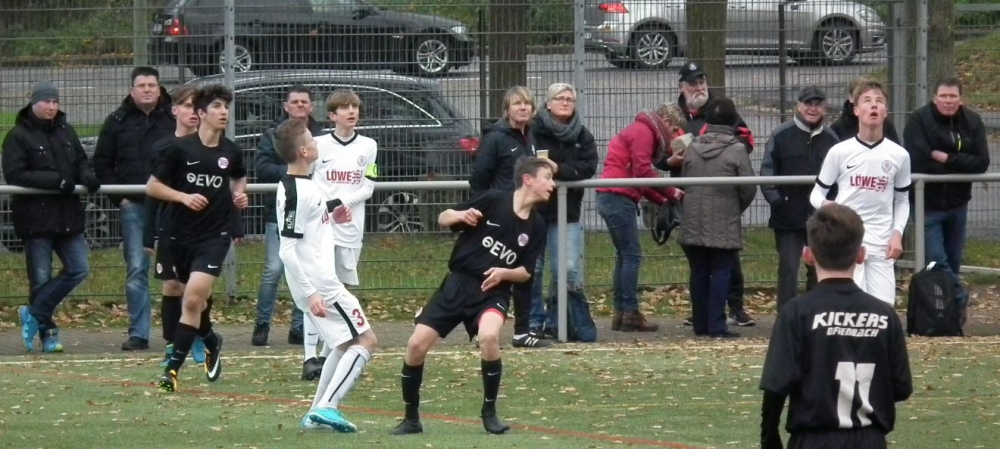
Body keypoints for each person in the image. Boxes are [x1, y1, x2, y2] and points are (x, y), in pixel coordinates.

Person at [392, 157, 553, 436]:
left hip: (492, 291)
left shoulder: (537, 226)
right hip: (457, 284)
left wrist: (504, 272)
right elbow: (443, 217)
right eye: (547, 178)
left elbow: (526, 272)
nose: (552, 184)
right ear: (528, 179)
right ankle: (411, 419)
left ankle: (489, 413)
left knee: (489, 336)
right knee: (416, 345)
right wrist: (459, 215)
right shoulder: (493, 200)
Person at [759, 204, 913, 449]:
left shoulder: (797, 313)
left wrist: (769, 438)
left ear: (808, 256)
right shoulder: (885, 315)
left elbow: (776, 385)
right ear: (861, 255)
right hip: (870, 439)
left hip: (812, 439)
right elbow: (902, 387)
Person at [273, 118, 378, 433]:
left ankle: (314, 414)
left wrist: (331, 216)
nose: (316, 141)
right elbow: (287, 250)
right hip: (321, 283)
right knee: (366, 340)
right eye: (311, 139)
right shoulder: (296, 191)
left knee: (342, 343)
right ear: (304, 152)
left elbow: (309, 228)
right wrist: (311, 292)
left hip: (319, 280)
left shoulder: (304, 186)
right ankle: (328, 407)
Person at [149, 85, 248, 392]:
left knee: (193, 299)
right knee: (183, 295)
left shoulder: (231, 151)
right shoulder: (179, 149)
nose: (223, 112)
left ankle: (171, 371)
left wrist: (239, 194)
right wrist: (183, 196)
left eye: (226, 107)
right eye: (216, 106)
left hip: (214, 237)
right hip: (178, 235)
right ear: (201, 113)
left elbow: (239, 176)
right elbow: (153, 186)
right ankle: (210, 340)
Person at [3, 81, 101, 353]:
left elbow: (80, 161)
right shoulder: (18, 136)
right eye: (46, 101)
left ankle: (34, 312)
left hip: (68, 216)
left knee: (79, 268)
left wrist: (87, 176)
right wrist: (55, 181)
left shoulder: (67, 131)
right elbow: (15, 174)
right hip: (36, 219)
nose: (51, 106)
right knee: (41, 277)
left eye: (55, 102)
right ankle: (47, 333)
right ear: (33, 103)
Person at [92, 66, 175, 351]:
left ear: (159, 88)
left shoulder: (174, 118)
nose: (147, 90)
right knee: (137, 268)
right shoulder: (116, 121)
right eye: (142, 85)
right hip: (135, 206)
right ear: (132, 90)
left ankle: (177, 331)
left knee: (176, 269)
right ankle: (139, 333)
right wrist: (121, 198)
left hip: (171, 205)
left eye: (152, 85)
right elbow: (102, 163)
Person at [810, 80, 911, 305]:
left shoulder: (899, 155)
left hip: (882, 243)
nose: (873, 105)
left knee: (884, 308)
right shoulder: (839, 152)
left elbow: (902, 199)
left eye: (879, 101)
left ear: (886, 111)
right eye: (867, 101)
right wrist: (829, 206)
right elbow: (816, 194)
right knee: (849, 308)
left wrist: (897, 234)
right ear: (856, 110)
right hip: (848, 241)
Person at [673, 62, 756, 327]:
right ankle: (706, 315)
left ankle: (734, 307)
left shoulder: (722, 110)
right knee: (702, 264)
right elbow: (661, 155)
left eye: (702, 82)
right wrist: (670, 160)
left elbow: (747, 140)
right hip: (690, 197)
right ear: (682, 87)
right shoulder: (675, 116)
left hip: (721, 197)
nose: (699, 87)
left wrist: (725, 150)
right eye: (693, 84)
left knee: (726, 261)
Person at [468, 86, 552, 348]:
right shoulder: (495, 138)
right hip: (500, 219)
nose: (523, 108)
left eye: (527, 103)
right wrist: (489, 209)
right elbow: (478, 178)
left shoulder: (533, 137)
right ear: (507, 109)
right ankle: (478, 327)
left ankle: (524, 331)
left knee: (526, 272)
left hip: (526, 217)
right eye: (517, 104)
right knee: (489, 273)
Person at [305, 89, 378, 378]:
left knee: (338, 290)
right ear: (332, 116)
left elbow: (368, 186)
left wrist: (341, 203)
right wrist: (324, 208)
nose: (352, 112)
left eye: (355, 107)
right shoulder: (318, 144)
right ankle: (309, 357)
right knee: (318, 288)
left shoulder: (369, 145)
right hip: (321, 227)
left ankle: (326, 355)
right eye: (345, 108)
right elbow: (307, 181)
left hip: (350, 227)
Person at [596, 103, 685, 333]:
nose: (674, 136)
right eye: (674, 130)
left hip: (612, 195)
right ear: (666, 121)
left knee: (624, 255)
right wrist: (670, 192)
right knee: (632, 255)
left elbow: (639, 177)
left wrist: (661, 199)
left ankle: (621, 312)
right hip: (618, 196)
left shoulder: (640, 130)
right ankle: (630, 312)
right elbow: (643, 171)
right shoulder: (644, 132)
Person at [251, 84, 324, 353]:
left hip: (312, 214)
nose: (300, 106)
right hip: (280, 211)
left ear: (311, 106)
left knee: (304, 269)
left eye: (305, 102)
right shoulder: (273, 135)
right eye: (295, 102)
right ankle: (262, 324)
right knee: (274, 269)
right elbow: (262, 168)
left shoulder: (321, 136)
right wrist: (295, 171)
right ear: (285, 106)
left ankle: (299, 325)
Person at [527, 83, 599, 339]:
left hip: (567, 210)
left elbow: (588, 166)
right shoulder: (532, 130)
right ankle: (533, 321)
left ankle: (557, 321)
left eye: (570, 99)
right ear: (548, 103)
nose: (565, 102)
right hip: (534, 210)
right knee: (533, 268)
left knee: (567, 269)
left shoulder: (582, 135)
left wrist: (558, 169)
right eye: (559, 98)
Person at [760, 87, 840, 311]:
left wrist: (831, 206)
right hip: (787, 217)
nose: (813, 108)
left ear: (824, 107)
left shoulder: (832, 139)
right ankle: (786, 317)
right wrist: (779, 202)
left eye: (817, 104)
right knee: (788, 269)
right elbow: (767, 175)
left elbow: (840, 178)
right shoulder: (780, 135)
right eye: (808, 103)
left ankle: (816, 314)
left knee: (820, 268)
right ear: (798, 106)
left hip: (821, 218)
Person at [903, 76, 990, 280]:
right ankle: (959, 296)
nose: (948, 101)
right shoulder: (919, 121)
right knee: (936, 262)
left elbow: (981, 162)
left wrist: (946, 158)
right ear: (934, 98)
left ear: (961, 99)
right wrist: (961, 166)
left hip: (958, 204)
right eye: (943, 96)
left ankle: (948, 300)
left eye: (953, 96)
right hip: (927, 206)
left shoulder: (973, 122)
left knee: (953, 261)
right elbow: (920, 162)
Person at [145, 85, 207, 367]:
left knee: (198, 288)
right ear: (175, 110)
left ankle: (198, 336)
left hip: (204, 227)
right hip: (171, 226)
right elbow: (153, 190)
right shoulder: (163, 147)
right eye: (187, 106)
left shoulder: (211, 146)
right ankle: (172, 343)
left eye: (197, 107)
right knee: (171, 286)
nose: (193, 113)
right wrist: (148, 232)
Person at [831, 76, 901, 144]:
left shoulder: (886, 124)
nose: (873, 104)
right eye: (867, 100)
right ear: (851, 98)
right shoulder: (838, 127)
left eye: (878, 100)